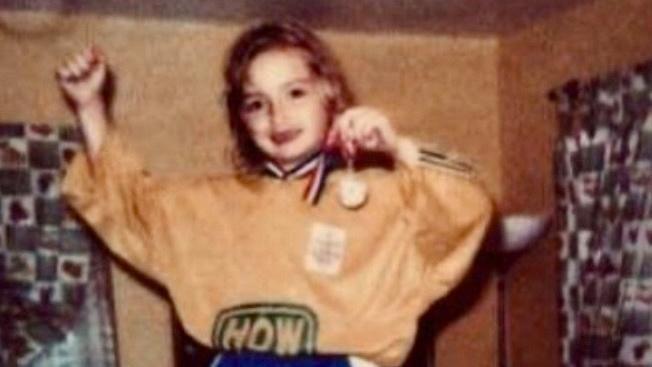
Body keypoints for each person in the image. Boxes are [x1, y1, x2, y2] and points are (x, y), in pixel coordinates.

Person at [56, 21, 493, 367]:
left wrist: (396, 146)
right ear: (241, 118)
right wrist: (90, 106)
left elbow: (466, 209)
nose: (277, 115)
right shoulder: (206, 205)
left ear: (330, 95)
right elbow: (126, 206)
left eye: (295, 93)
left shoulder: (386, 199)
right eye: (256, 103)